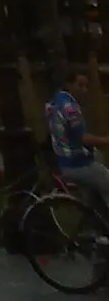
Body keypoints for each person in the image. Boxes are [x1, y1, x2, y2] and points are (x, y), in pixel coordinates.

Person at [47, 67, 109, 209]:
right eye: (80, 85)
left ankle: (94, 224)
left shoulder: (55, 102)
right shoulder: (70, 108)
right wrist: (106, 140)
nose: (84, 90)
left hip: (64, 160)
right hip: (78, 163)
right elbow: (83, 138)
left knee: (93, 192)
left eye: (86, 86)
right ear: (68, 84)